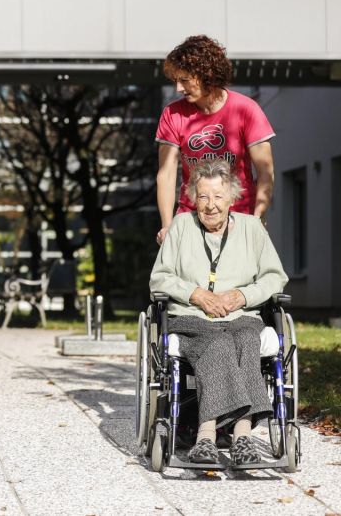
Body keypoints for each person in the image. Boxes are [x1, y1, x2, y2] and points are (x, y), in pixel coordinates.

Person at [149, 158, 287, 466]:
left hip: (241, 316)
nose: (211, 205)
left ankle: (240, 438)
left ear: (232, 198)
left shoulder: (252, 228)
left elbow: (274, 277)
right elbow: (159, 277)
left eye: (218, 196)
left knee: (247, 342)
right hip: (191, 317)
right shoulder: (182, 225)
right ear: (193, 198)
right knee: (221, 345)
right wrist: (196, 294)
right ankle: (207, 436)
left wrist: (242, 295)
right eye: (203, 197)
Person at [155, 35, 275, 245]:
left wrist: (257, 218)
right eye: (176, 81)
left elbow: (265, 171)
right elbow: (166, 175)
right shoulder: (172, 114)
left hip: (239, 219)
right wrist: (167, 227)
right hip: (191, 222)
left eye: (184, 80)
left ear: (206, 74)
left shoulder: (246, 109)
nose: (178, 89)